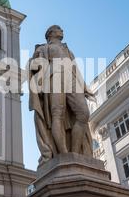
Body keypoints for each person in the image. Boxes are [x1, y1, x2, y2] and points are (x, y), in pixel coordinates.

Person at [29, 25, 95, 166]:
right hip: (54, 76)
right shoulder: (43, 48)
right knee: (57, 114)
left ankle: (75, 153)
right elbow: (34, 67)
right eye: (59, 29)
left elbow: (75, 68)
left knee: (83, 113)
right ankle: (64, 154)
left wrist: (85, 87)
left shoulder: (68, 50)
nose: (62, 30)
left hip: (71, 78)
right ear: (50, 33)